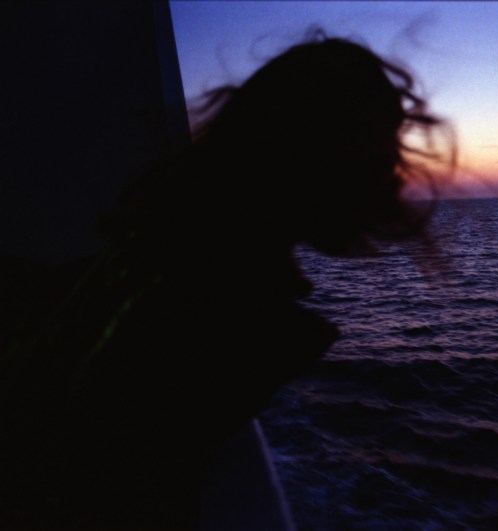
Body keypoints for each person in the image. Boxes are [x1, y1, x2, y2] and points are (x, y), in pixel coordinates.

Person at [0, 32, 453, 530]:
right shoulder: (242, 328)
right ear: (318, 160)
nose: (391, 177)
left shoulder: (160, 242)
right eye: (380, 149)